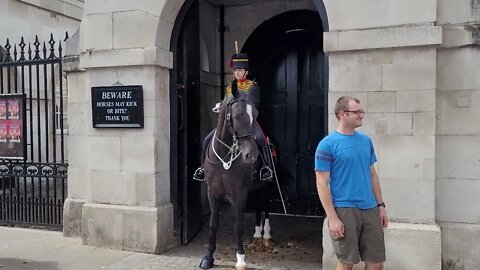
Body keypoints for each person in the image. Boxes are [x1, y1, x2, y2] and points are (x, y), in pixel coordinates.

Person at [314, 96, 388, 270]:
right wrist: (332, 218)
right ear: (342, 114)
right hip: (344, 210)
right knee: (346, 263)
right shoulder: (327, 145)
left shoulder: (365, 141)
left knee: (376, 263)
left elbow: (372, 175)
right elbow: (321, 183)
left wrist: (381, 205)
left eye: (362, 111)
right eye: (357, 112)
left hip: (370, 209)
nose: (361, 115)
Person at [193, 53, 273, 182]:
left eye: (240, 70)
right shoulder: (231, 87)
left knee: (260, 139)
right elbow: (226, 103)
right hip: (231, 122)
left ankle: (265, 168)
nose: (237, 72)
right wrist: (220, 106)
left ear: (246, 72)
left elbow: (255, 105)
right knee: (207, 139)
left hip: (247, 122)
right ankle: (203, 169)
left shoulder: (253, 86)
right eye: (235, 70)